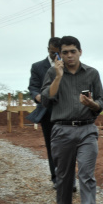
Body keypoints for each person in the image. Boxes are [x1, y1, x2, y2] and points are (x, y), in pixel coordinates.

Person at [40, 36, 103, 204]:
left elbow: (101, 101)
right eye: (65, 52)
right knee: (64, 175)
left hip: (87, 130)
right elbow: (46, 99)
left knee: (87, 176)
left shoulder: (92, 73)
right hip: (62, 130)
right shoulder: (53, 72)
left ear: (80, 52)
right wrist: (58, 77)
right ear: (59, 55)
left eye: (73, 51)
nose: (69, 56)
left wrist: (92, 104)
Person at [28, 37, 63, 187]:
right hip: (47, 112)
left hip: (65, 111)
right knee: (52, 145)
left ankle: (68, 178)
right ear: (48, 49)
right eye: (52, 52)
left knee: (68, 147)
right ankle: (56, 178)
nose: (55, 55)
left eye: (58, 52)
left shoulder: (67, 65)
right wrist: (37, 96)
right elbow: (33, 87)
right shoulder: (37, 67)